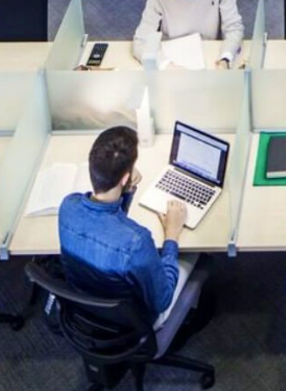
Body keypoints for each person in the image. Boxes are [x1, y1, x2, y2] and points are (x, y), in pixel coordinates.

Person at [58, 126, 205, 356]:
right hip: (135, 325)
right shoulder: (136, 242)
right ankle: (188, 322)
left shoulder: (68, 207)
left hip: (87, 309)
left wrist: (128, 190)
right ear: (125, 175)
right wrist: (172, 235)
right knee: (199, 257)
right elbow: (162, 299)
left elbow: (106, 224)